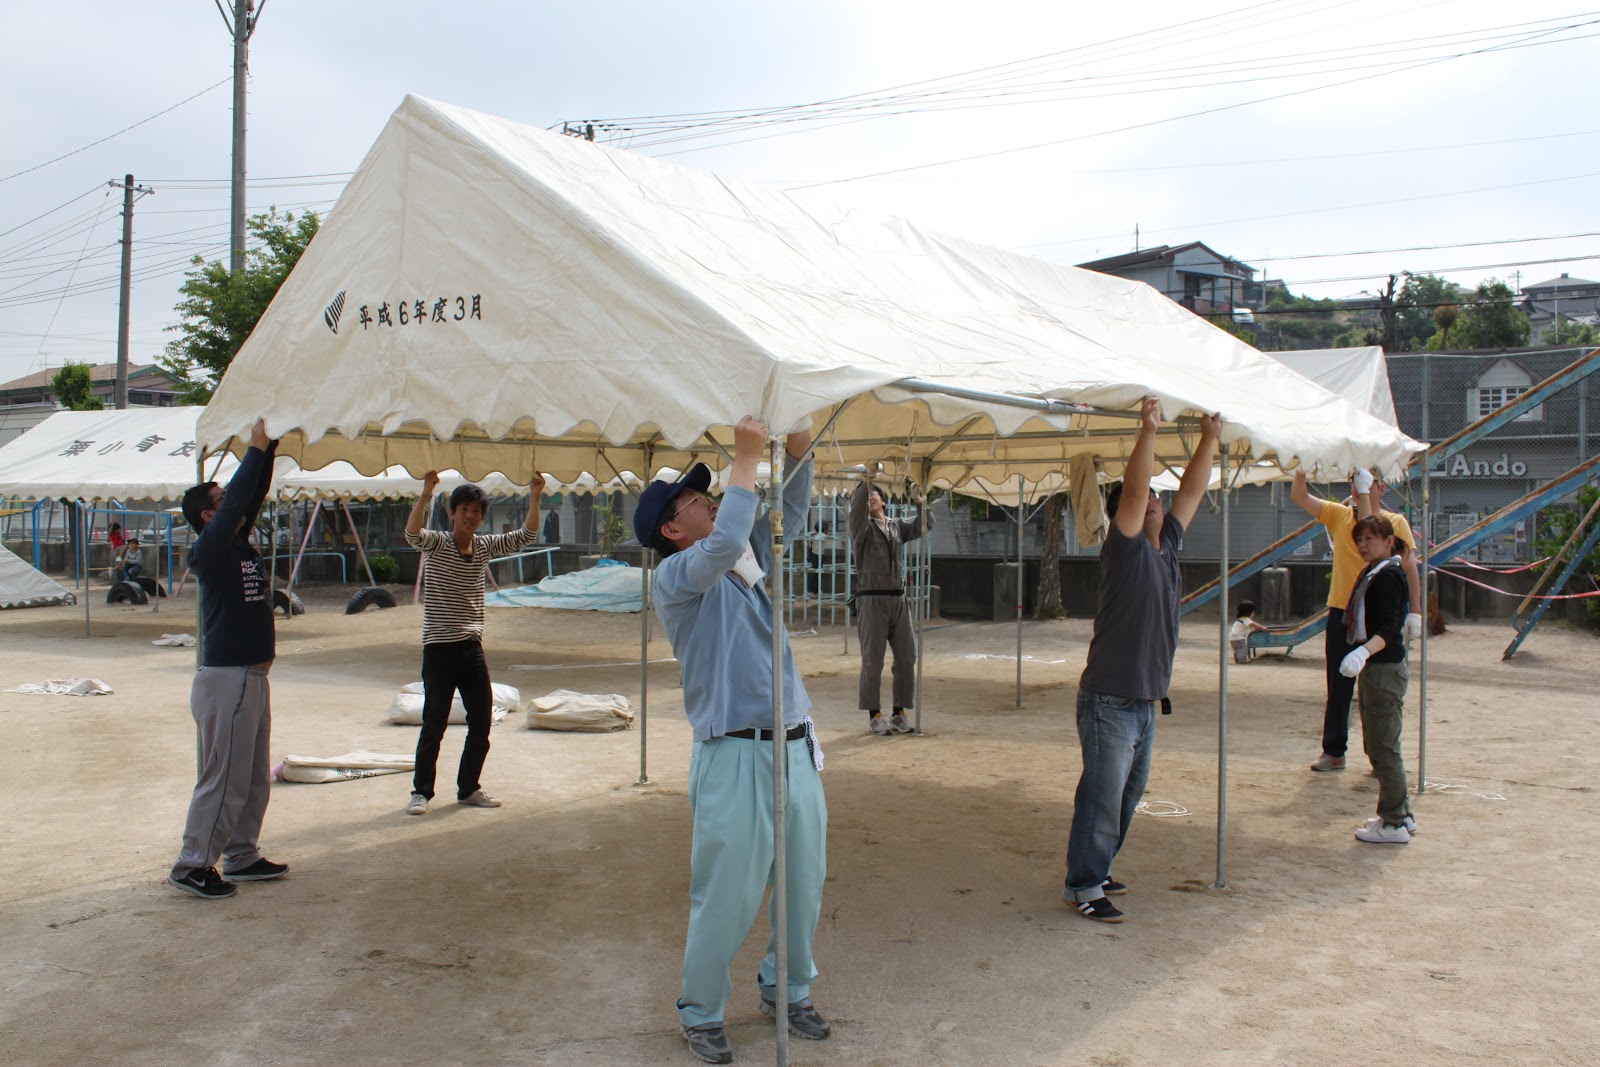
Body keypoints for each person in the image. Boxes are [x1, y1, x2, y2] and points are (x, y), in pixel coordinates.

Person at [634, 416, 829, 1065]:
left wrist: (797, 444)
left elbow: (789, 511)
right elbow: (724, 542)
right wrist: (747, 456)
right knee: (726, 891)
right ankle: (702, 1009)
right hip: (733, 752)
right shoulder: (678, 578)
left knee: (803, 881)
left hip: (792, 743)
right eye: (697, 500)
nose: (712, 497)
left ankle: (788, 987)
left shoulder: (744, 560)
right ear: (672, 528)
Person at [1064, 399, 1220, 923]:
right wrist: (1148, 428)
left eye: (1158, 496)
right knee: (1103, 797)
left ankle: (1098, 865)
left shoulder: (1168, 546)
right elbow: (1132, 489)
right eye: (1147, 497)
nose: (1153, 500)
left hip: (1145, 701)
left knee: (1127, 798)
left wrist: (1210, 436)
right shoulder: (1125, 547)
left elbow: (1194, 489)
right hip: (1109, 699)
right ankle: (1083, 885)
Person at [168, 418, 285, 899]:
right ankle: (193, 863)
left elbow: (248, 499)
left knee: (254, 776)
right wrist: (253, 451)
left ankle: (241, 853)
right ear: (207, 517)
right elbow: (238, 497)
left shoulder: (233, 540)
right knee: (226, 777)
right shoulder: (209, 549)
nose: (231, 505)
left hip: (251, 678)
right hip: (229, 678)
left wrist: (270, 447)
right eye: (219, 503)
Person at [402, 471, 544, 815]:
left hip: (471, 647)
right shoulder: (437, 543)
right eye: (464, 509)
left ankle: (468, 788)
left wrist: (536, 495)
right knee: (433, 725)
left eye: (476, 511)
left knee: (481, 724)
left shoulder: (483, 546)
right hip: (438, 648)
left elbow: (526, 535)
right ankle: (421, 792)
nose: (470, 516)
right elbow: (411, 534)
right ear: (451, 513)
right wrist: (425, 495)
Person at [1291, 468, 1422, 772]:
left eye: (1369, 480)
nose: (1359, 484)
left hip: (1378, 613)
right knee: (1338, 684)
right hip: (1343, 610)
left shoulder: (1395, 524)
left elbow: (1409, 566)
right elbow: (1299, 497)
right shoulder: (1339, 515)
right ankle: (1334, 749)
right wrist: (1300, 468)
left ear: (1381, 488)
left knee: (1378, 688)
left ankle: (1383, 756)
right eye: (1357, 479)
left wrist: (1415, 610)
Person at [1339, 515, 1417, 844]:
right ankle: (1401, 813)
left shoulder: (1387, 576)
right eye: (1360, 539)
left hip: (1383, 666)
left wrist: (1362, 653)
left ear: (1389, 541)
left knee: (1384, 747)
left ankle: (1395, 821)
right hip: (1378, 666)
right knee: (1378, 743)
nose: (1363, 544)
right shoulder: (1377, 572)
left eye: (1370, 538)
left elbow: (1387, 628)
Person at [847, 474, 930, 735]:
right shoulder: (861, 528)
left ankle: (899, 712)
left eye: (875, 494)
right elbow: (857, 508)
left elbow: (927, 524)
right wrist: (865, 480)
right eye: (868, 495)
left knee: (907, 656)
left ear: (883, 501)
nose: (871, 497)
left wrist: (918, 500)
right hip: (871, 599)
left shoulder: (896, 526)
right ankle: (874, 714)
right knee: (873, 660)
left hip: (898, 598)